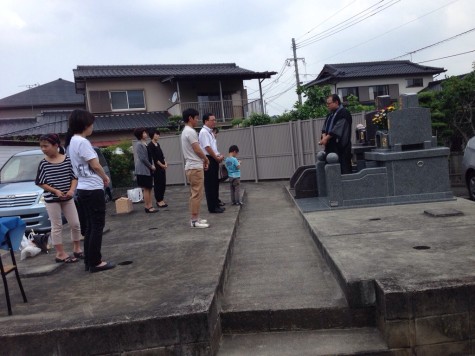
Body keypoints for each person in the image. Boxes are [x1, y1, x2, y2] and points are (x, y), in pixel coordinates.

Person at [65, 109, 115, 273]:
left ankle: (89, 260)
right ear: (86, 125)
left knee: (90, 226)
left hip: (83, 189)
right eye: (91, 123)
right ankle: (95, 261)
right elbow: (94, 164)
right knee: (97, 226)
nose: (92, 126)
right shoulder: (83, 142)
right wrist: (104, 177)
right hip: (92, 189)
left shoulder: (72, 141)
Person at [35, 133, 83, 263]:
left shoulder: (67, 159)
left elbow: (74, 177)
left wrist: (72, 190)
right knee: (57, 226)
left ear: (56, 145)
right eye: (41, 147)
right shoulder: (43, 163)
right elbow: (40, 182)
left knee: (75, 223)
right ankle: (60, 253)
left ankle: (77, 249)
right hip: (52, 200)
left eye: (46, 146)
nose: (43, 149)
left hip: (68, 198)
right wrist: (55, 191)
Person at [181, 108, 210, 228]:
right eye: (196, 118)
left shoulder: (185, 131)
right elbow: (197, 149)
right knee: (196, 194)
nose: (198, 120)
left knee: (196, 193)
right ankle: (194, 220)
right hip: (195, 167)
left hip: (191, 166)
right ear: (190, 118)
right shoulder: (190, 131)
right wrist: (206, 159)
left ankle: (196, 218)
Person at [319, 94, 353, 174]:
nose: (327, 105)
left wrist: (326, 139)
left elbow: (337, 129)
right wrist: (324, 137)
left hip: (341, 147)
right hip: (330, 147)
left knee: (343, 169)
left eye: (329, 103)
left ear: (336, 102)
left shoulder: (344, 113)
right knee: (331, 170)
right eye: (327, 104)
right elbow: (324, 128)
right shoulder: (330, 115)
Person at [199, 113, 224, 214]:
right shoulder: (204, 132)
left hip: (213, 158)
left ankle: (216, 204)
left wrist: (218, 156)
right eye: (212, 120)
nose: (214, 122)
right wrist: (216, 158)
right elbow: (207, 147)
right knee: (210, 184)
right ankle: (212, 207)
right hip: (209, 159)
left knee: (215, 183)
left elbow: (213, 148)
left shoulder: (210, 132)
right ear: (206, 121)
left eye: (215, 120)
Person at [133, 128, 157, 213]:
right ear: (140, 135)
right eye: (143, 133)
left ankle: (150, 205)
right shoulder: (139, 144)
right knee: (146, 188)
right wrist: (151, 166)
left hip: (148, 168)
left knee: (149, 188)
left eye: (145, 132)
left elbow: (149, 157)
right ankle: (147, 207)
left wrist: (151, 165)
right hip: (143, 170)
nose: (145, 134)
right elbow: (143, 158)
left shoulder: (144, 143)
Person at [147, 129, 168, 208]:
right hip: (156, 168)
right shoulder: (150, 145)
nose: (158, 136)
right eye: (157, 134)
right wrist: (162, 165)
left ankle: (162, 199)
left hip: (162, 167)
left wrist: (165, 163)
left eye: (159, 134)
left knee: (163, 183)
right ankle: (158, 201)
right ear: (153, 135)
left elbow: (162, 156)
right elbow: (154, 158)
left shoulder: (157, 144)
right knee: (158, 184)